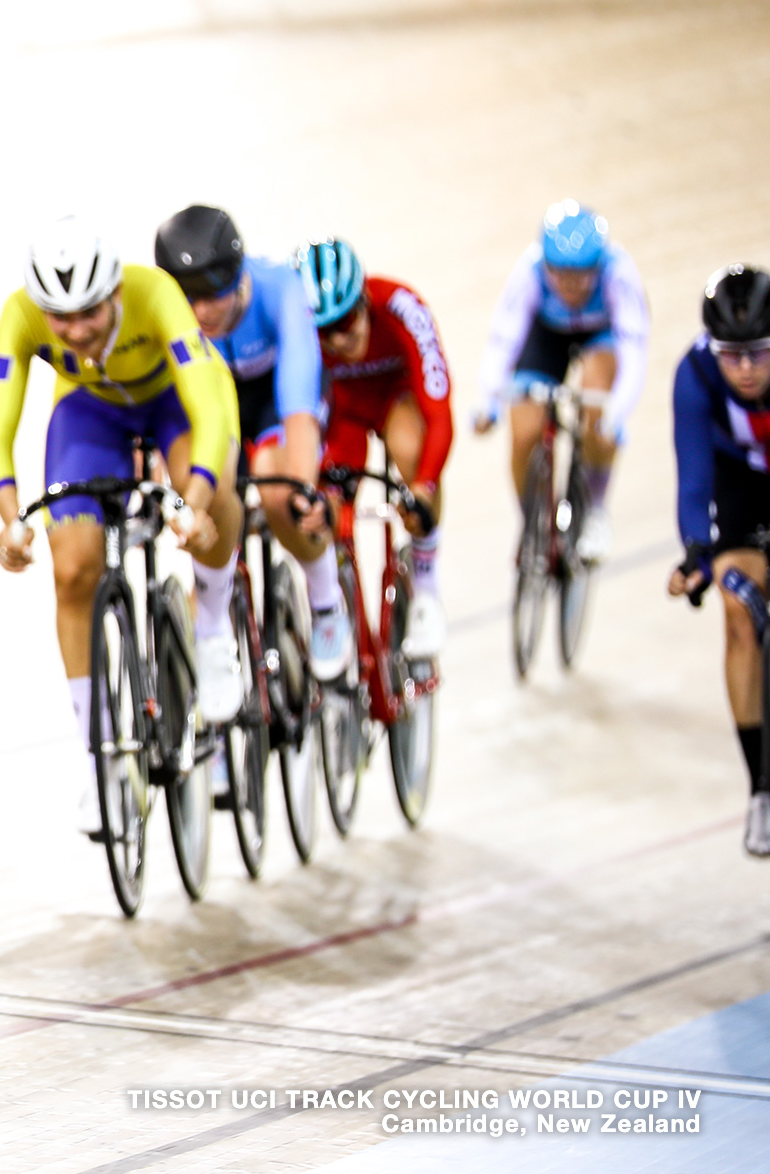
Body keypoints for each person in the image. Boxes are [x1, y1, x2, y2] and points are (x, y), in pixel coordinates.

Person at [0, 215, 244, 833]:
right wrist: (10, 518)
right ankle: (98, 761)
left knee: (214, 493)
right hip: (89, 417)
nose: (74, 332)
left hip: (177, 405)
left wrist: (196, 500)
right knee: (73, 569)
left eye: (89, 316)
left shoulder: (155, 293)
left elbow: (207, 411)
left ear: (115, 295)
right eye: (60, 319)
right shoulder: (20, 314)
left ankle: (211, 631)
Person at [155, 205, 350, 685]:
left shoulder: (279, 288)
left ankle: (326, 601)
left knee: (280, 492)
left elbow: (298, 407)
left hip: (272, 401)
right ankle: (213, 630)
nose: (200, 314)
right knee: (211, 497)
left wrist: (303, 491)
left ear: (238, 279)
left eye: (211, 299)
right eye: (189, 301)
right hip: (212, 406)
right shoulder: (169, 315)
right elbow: (163, 416)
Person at [298, 237, 453, 657]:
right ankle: (333, 609)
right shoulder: (297, 334)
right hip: (343, 413)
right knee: (324, 503)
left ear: (364, 300)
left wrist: (425, 486)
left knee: (409, 448)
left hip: (394, 399)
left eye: (346, 322)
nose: (338, 341)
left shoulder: (402, 306)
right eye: (324, 332)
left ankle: (425, 586)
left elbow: (438, 410)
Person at [475, 200, 649, 562]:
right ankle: (532, 522)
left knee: (596, 408)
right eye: (560, 274)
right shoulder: (529, 270)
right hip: (546, 336)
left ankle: (596, 510)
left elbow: (633, 349)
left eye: (581, 275)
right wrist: (490, 397)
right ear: (546, 265)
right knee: (523, 431)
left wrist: (617, 411)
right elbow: (504, 339)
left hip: (599, 337)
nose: (569, 284)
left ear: (598, 267)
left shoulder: (619, 274)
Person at [667, 266, 770, 857]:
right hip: (740, 489)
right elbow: (693, 478)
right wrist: (696, 555)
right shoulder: (697, 374)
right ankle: (761, 789)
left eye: (758, 353)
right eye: (733, 355)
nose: (747, 369)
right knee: (738, 614)